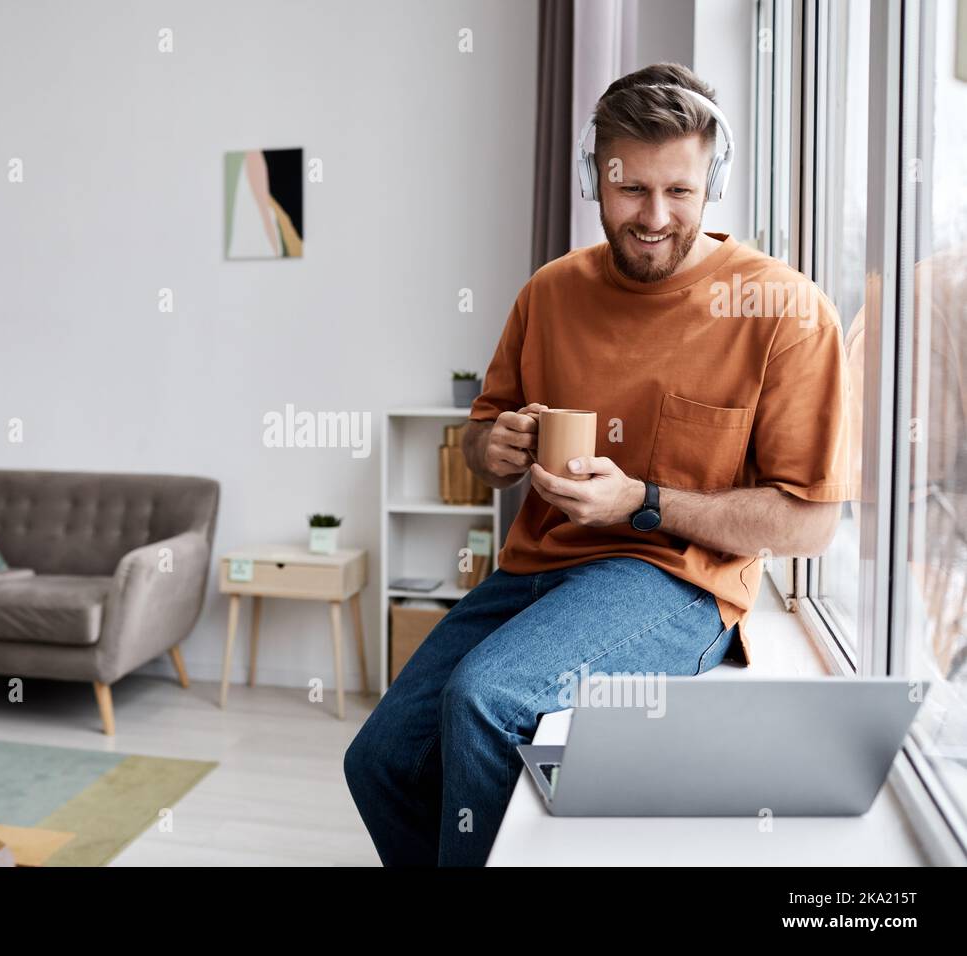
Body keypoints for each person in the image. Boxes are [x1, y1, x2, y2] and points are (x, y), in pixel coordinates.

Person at [344, 62, 852, 867]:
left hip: (672, 581)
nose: (654, 217)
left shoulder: (784, 310)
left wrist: (642, 501)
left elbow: (811, 521)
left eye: (679, 192)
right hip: (532, 572)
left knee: (486, 700)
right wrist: (497, 446)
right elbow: (480, 442)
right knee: (376, 762)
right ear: (594, 177)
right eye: (631, 189)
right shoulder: (550, 293)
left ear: (712, 182)